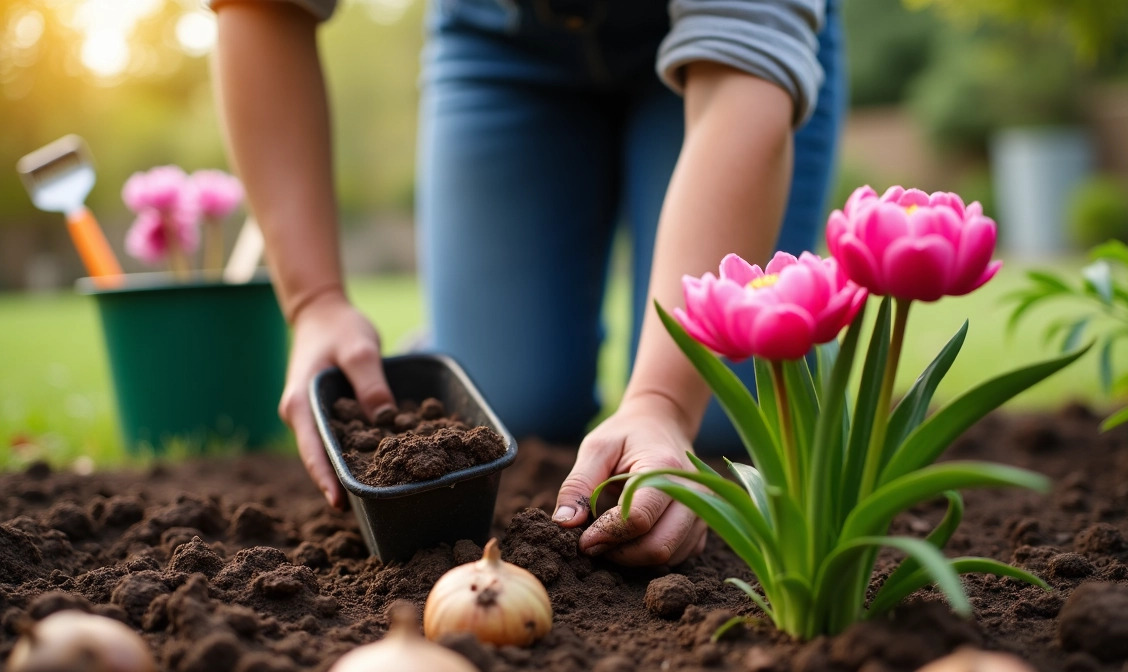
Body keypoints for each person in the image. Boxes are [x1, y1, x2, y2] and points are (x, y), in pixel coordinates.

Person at [210, 0, 845, 567]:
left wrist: (664, 402)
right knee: (506, 410)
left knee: (722, 425)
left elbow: (743, 76)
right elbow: (263, 10)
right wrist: (314, 300)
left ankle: (779, 367)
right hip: (503, 45)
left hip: (739, 55)